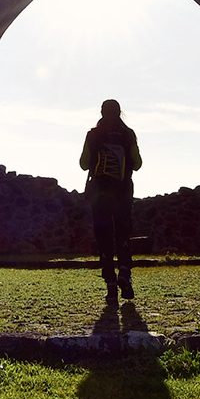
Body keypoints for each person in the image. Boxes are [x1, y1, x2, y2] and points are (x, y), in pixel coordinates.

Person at [79, 99, 141, 303]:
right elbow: (138, 164)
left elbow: (83, 163)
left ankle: (111, 284)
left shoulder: (93, 134)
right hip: (122, 192)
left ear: (102, 112)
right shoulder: (128, 134)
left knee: (103, 236)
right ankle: (124, 272)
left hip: (99, 194)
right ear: (119, 112)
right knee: (123, 233)